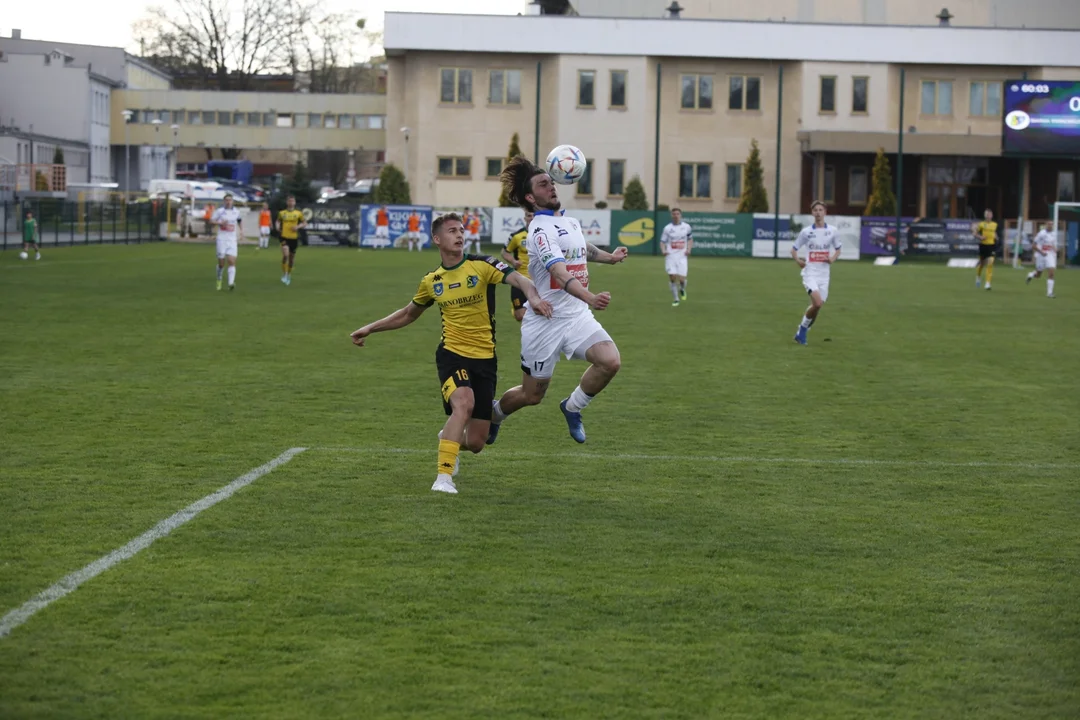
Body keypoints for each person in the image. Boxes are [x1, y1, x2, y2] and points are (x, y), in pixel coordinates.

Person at [349, 213, 551, 494]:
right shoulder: (432, 280)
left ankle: (447, 437)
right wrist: (370, 328)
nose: (459, 235)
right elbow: (409, 313)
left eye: (461, 230)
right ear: (437, 239)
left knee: (477, 443)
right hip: (452, 354)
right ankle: (443, 478)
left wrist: (534, 296)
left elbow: (521, 279)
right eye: (452, 231)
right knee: (464, 403)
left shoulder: (482, 265)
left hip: (485, 359)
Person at [487, 157, 628, 446]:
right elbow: (559, 272)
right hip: (545, 322)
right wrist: (590, 296)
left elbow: (581, 249)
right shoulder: (538, 231)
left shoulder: (569, 221)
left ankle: (573, 407)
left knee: (610, 361)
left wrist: (609, 258)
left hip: (576, 316)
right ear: (530, 197)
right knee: (532, 395)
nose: (552, 186)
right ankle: (495, 414)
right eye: (543, 184)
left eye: (551, 182)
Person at [792, 200, 842, 345]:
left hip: (824, 275)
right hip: (810, 273)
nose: (818, 213)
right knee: (818, 303)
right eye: (815, 210)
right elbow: (793, 249)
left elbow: (838, 249)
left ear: (825, 212)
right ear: (812, 213)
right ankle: (802, 330)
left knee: (817, 307)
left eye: (821, 210)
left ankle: (801, 331)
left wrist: (831, 259)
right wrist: (798, 260)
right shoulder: (806, 232)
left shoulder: (832, 231)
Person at [501, 210, 534, 322]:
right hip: (520, 279)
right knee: (519, 316)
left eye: (534, 215)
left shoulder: (545, 235)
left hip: (539, 281)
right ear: (525, 218)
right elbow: (504, 252)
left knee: (541, 312)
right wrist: (513, 261)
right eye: (529, 215)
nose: (531, 218)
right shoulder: (516, 236)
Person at [660, 207, 693, 306]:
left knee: (682, 279)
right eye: (674, 214)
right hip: (671, 256)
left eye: (677, 214)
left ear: (680, 215)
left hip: (682, 256)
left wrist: (688, 249)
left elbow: (690, 239)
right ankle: (676, 299)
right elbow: (662, 241)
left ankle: (682, 289)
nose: (676, 216)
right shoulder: (667, 228)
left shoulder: (686, 227)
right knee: (672, 277)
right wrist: (664, 250)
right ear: (671, 215)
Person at [211, 193, 243, 291]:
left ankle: (231, 283)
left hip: (232, 239)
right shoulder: (219, 211)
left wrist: (241, 231)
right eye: (227, 200)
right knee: (221, 263)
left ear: (232, 201)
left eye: (230, 200)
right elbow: (211, 221)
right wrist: (220, 223)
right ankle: (219, 278)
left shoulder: (236, 212)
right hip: (221, 238)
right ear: (224, 201)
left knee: (231, 261)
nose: (228, 202)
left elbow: (239, 220)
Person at [275, 196, 306, 286]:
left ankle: (288, 274)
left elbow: (304, 223)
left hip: (294, 238)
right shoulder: (282, 213)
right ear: (287, 202)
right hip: (284, 236)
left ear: (295, 203)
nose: (291, 202)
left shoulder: (298, 213)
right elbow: (277, 221)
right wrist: (277, 226)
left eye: (292, 201)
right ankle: (284, 274)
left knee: (291, 259)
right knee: (285, 254)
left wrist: (297, 227)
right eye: (289, 201)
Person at [1026, 223, 1058, 298]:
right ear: (1046, 225)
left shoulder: (1054, 234)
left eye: (1052, 225)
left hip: (1049, 255)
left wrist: (1054, 249)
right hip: (1041, 255)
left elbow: (1052, 243)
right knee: (1038, 275)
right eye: (1049, 225)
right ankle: (1031, 274)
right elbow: (1033, 245)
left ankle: (1049, 293)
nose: (1050, 226)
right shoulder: (1041, 234)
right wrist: (1041, 252)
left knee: (1051, 272)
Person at [974, 209, 998, 290]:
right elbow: (974, 233)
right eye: (987, 214)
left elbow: (994, 232)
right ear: (985, 216)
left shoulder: (994, 224)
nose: (989, 216)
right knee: (982, 264)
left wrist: (995, 236)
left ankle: (987, 283)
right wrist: (980, 237)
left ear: (992, 216)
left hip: (991, 246)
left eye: (990, 214)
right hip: (983, 246)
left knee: (990, 262)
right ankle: (978, 277)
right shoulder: (981, 224)